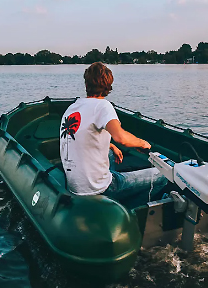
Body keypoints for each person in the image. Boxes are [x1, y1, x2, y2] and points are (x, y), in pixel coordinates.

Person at [59, 62, 167, 203]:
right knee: (163, 174)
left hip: (75, 187)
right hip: (101, 188)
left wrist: (111, 146)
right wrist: (142, 143)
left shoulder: (73, 107)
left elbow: (82, 137)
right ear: (108, 87)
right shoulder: (102, 106)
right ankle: (131, 208)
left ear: (86, 85)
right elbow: (120, 137)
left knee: (110, 153)